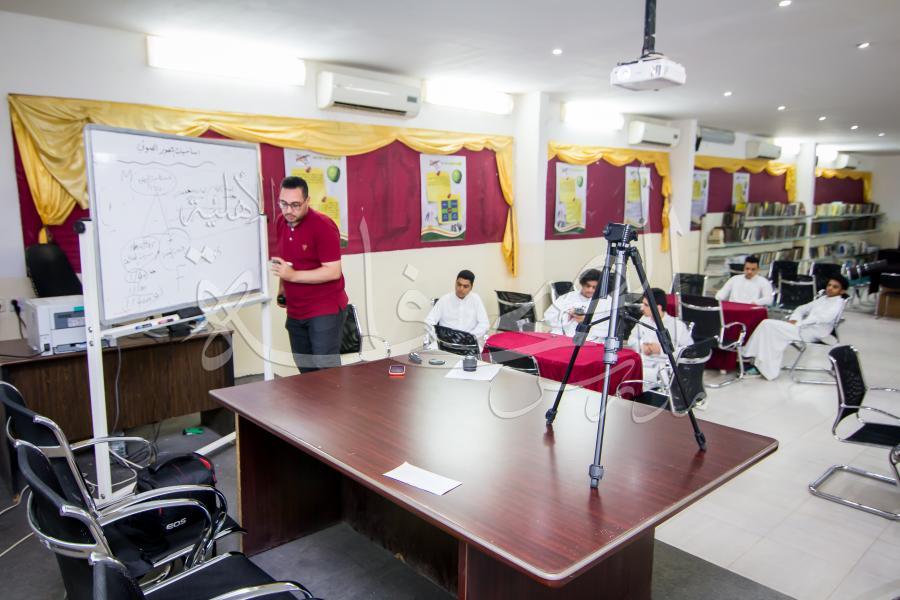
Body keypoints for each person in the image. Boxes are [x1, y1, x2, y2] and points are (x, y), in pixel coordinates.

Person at [270, 176, 348, 373]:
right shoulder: (281, 222)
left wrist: (292, 276)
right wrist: (282, 289)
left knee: (326, 372)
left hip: (324, 309)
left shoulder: (323, 225)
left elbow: (333, 271)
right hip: (296, 310)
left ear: (307, 201)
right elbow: (286, 262)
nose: (288, 210)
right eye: (283, 204)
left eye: (295, 205)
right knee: (305, 372)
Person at [741, 275, 849, 380]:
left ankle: (752, 358)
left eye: (835, 287)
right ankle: (755, 360)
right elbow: (802, 308)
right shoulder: (823, 299)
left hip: (812, 334)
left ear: (842, 291)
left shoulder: (838, 304)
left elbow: (821, 318)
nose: (830, 288)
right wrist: (795, 319)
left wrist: (798, 324)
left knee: (768, 325)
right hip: (802, 328)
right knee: (767, 327)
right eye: (829, 285)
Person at [626, 288, 694, 385]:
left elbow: (689, 351)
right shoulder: (643, 320)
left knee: (631, 376)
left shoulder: (677, 326)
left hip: (664, 369)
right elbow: (631, 340)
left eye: (646, 305)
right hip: (643, 362)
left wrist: (661, 350)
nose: (642, 308)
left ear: (658, 308)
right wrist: (642, 346)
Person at [543, 269, 612, 342]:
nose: (590, 290)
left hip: (591, 341)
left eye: (594, 287)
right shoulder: (567, 297)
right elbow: (548, 318)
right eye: (587, 286)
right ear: (582, 284)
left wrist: (586, 322)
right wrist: (568, 316)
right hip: (563, 339)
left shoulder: (607, 302)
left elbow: (608, 329)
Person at [424, 270, 489, 344]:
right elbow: (428, 321)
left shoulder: (476, 299)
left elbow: (484, 323)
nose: (461, 288)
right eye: (459, 284)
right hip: (445, 342)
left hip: (468, 342)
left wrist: (470, 337)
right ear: (455, 283)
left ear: (471, 287)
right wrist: (438, 336)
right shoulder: (445, 299)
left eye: (465, 286)